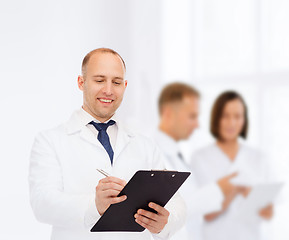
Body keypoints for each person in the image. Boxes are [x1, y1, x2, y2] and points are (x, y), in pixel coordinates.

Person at [28, 48, 186, 240]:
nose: (108, 90)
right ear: (81, 82)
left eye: (117, 82)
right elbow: (42, 205)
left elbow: (176, 201)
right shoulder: (50, 141)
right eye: (100, 80)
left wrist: (165, 223)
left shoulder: (144, 144)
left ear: (125, 85)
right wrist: (94, 206)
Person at [154, 83, 239, 240]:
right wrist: (218, 189)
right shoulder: (153, 153)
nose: (197, 124)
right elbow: (171, 210)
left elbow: (191, 207)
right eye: (192, 116)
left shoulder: (178, 155)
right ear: (168, 114)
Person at [191, 91, 273, 240]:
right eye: (225, 116)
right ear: (216, 118)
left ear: (244, 120)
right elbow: (205, 213)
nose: (231, 123)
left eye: (237, 116)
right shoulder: (200, 158)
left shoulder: (259, 158)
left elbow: (267, 214)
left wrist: (256, 200)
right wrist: (235, 190)